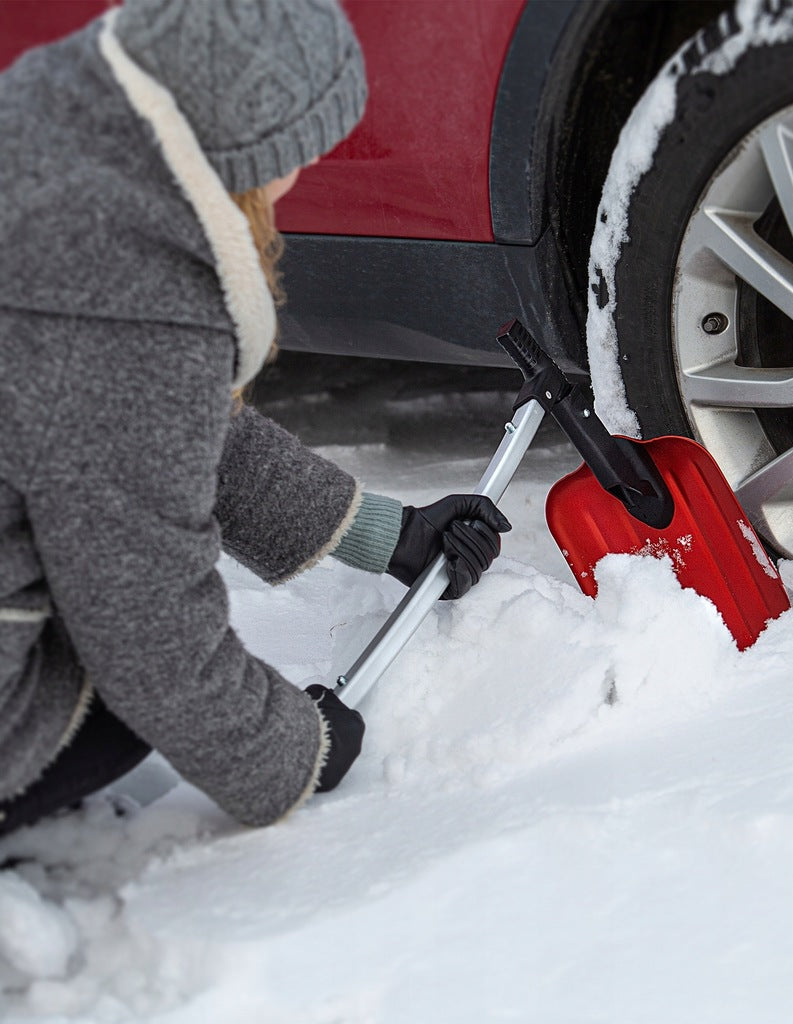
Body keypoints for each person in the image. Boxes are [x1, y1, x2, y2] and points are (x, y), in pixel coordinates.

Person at [0, 0, 510, 836]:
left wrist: (389, 534)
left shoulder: (51, 136)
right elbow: (144, 630)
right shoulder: (125, 294)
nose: (299, 177)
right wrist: (288, 751)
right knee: (121, 700)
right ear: (230, 148)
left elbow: (151, 422)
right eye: (293, 156)